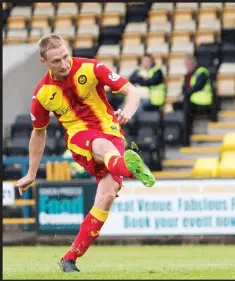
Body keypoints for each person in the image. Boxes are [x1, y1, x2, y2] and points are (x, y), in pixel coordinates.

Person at [14, 34, 156, 273]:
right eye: (56, 61)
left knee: (107, 195)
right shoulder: (42, 95)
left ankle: (69, 258)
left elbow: (131, 91)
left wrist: (128, 112)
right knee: (102, 146)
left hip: (112, 132)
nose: (64, 64)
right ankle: (130, 168)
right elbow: (38, 133)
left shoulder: (91, 68)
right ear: (44, 62)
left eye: (66, 56)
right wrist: (31, 172)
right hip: (81, 139)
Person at [172, 53, 214, 146]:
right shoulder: (186, 76)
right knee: (175, 104)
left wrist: (184, 95)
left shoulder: (201, 72)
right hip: (191, 102)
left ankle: (185, 140)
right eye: (186, 64)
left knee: (187, 108)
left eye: (189, 63)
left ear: (194, 63)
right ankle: (177, 134)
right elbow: (184, 90)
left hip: (203, 103)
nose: (188, 66)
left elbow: (197, 86)